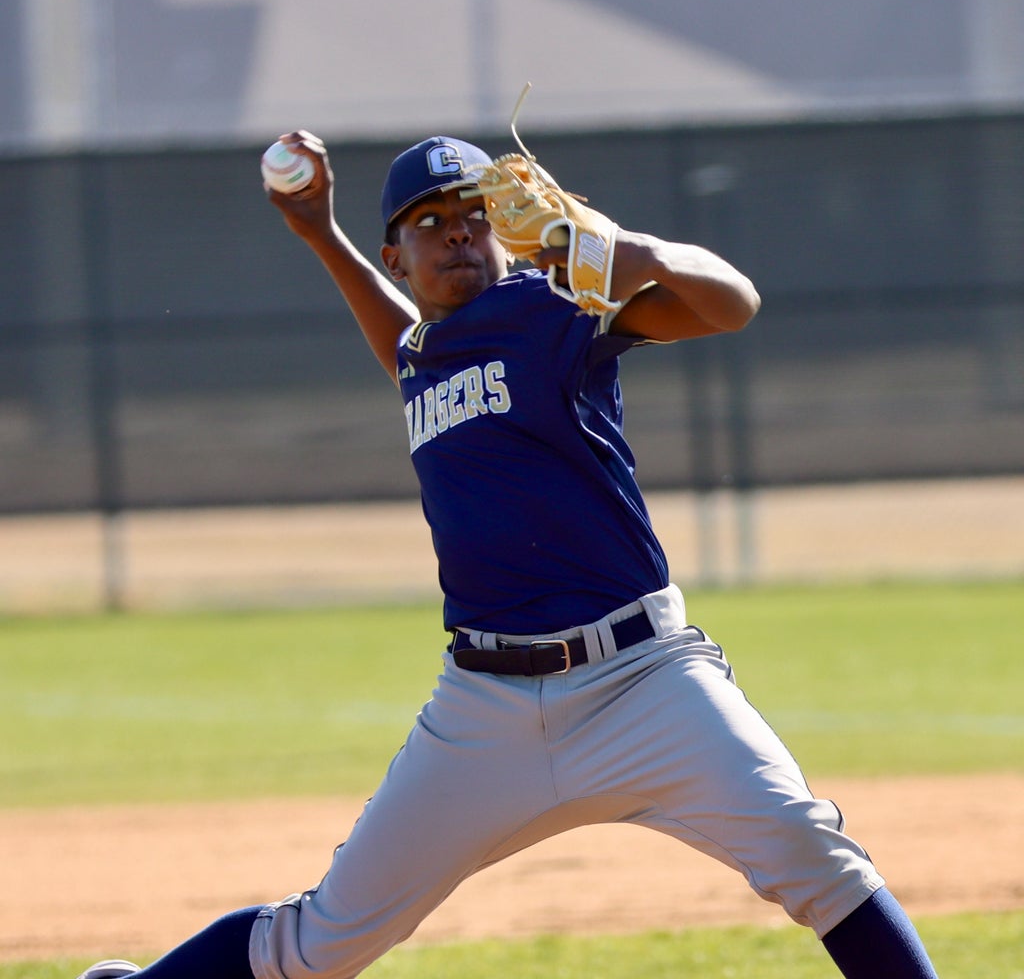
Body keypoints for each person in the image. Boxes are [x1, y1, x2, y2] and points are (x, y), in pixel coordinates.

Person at [75, 131, 940, 979]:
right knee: (319, 944)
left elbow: (733, 303)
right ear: (398, 257)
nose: (457, 229)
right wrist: (319, 234)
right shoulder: (422, 354)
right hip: (483, 710)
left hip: (644, 681)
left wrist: (631, 251)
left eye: (475, 213)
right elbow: (401, 342)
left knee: (815, 858)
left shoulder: (556, 307)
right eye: (429, 221)